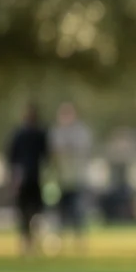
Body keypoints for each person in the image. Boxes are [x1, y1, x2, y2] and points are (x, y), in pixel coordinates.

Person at [49, 102, 93, 250]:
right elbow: (55, 152)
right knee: (60, 213)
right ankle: (58, 240)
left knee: (78, 212)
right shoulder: (57, 132)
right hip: (61, 179)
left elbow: (84, 151)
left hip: (77, 178)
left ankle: (79, 241)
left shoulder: (81, 132)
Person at [6, 103, 49, 257]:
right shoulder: (30, 135)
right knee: (28, 213)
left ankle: (29, 242)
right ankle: (28, 242)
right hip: (28, 179)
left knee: (30, 213)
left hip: (31, 179)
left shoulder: (34, 135)